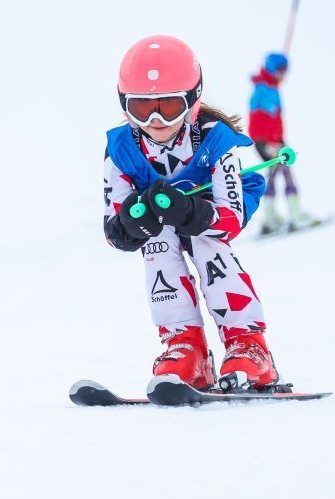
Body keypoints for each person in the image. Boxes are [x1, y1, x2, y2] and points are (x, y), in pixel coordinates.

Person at [103, 35, 282, 391]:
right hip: (163, 222)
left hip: (212, 213)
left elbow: (228, 220)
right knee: (157, 244)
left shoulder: (214, 139)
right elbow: (114, 228)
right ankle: (185, 348)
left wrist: (192, 212)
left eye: (169, 106)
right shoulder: (121, 149)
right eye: (142, 108)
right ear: (125, 105)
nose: (155, 119)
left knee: (208, 243)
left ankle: (248, 345)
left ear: (193, 100)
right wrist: (132, 225)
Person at [248, 52, 316, 234]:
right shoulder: (263, 89)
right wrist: (266, 143)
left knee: (276, 173)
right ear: (271, 68)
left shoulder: (271, 86)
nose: (283, 74)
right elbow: (257, 121)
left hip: (276, 141)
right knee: (283, 173)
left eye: (285, 70)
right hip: (267, 142)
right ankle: (292, 213)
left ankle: (271, 217)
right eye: (279, 70)